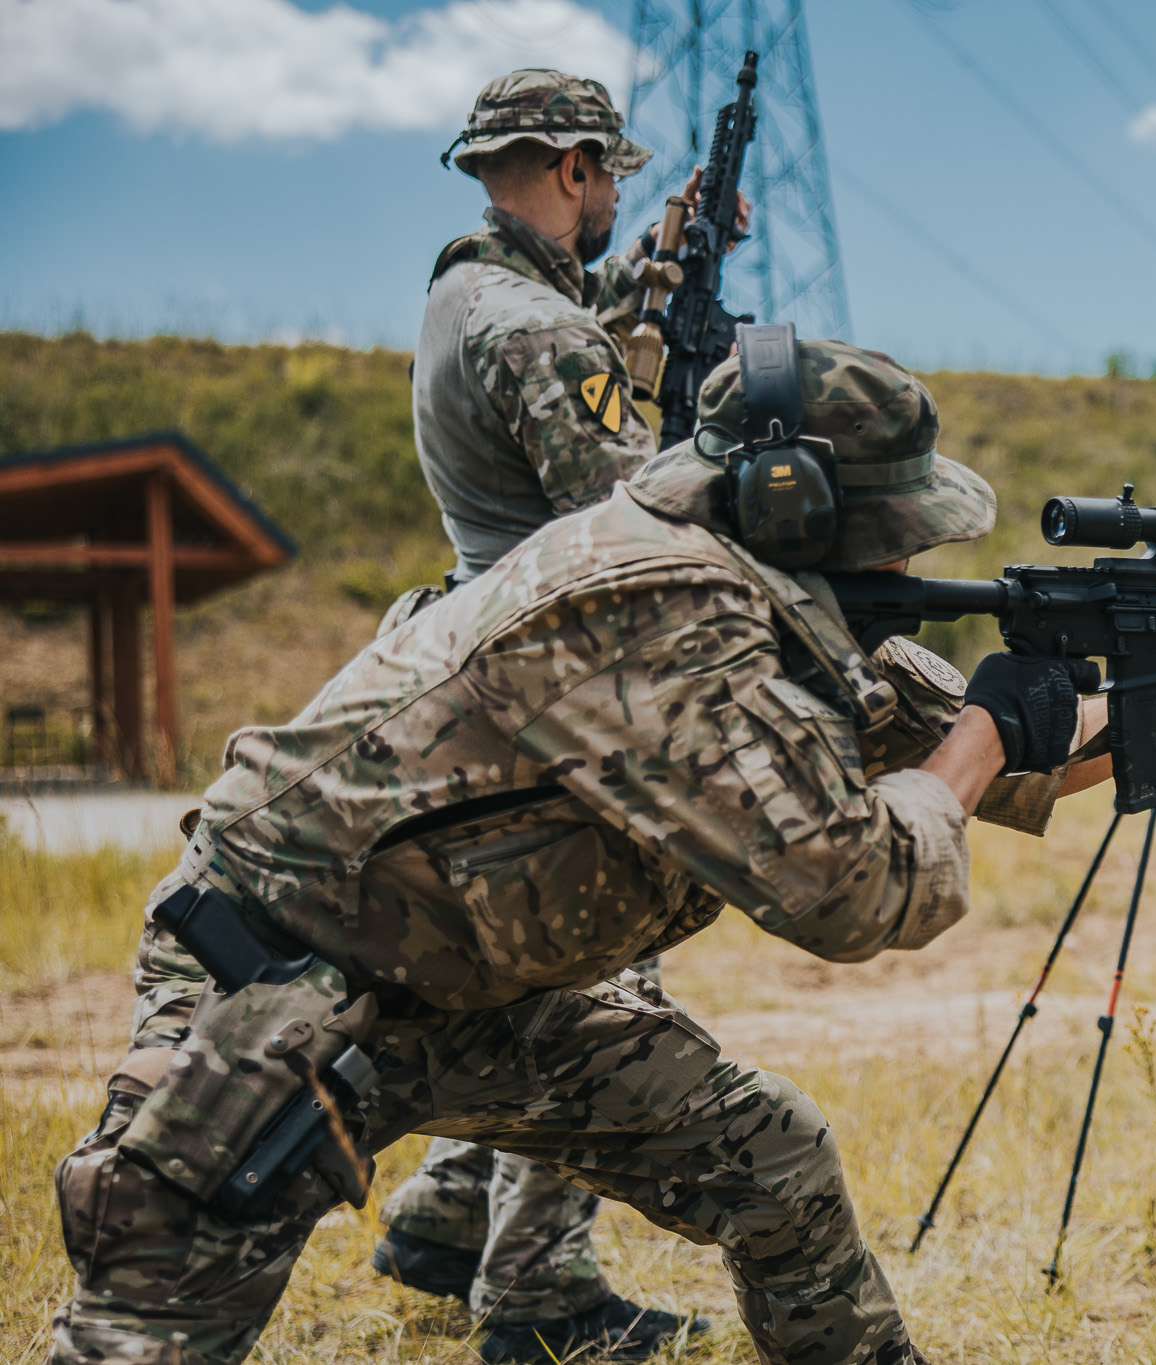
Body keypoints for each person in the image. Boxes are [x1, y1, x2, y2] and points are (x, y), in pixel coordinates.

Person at [44, 341, 1156, 1365]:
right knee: (145, 1338)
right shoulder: (651, 609)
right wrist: (978, 735)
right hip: (283, 991)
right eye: (896, 518)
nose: (916, 544)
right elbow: (857, 888)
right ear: (795, 507)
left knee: (771, 1157)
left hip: (480, 989)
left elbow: (1019, 750)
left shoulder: (774, 609)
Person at [365, 68, 748, 1359]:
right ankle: (540, 1291)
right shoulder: (537, 333)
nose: (611, 202)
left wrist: (666, 252)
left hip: (489, 659)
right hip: (558, 687)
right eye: (608, 182)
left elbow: (580, 321)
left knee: (526, 969)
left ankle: (445, 1212)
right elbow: (625, 518)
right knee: (592, 983)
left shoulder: (470, 291)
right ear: (573, 166)